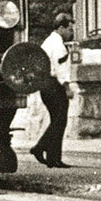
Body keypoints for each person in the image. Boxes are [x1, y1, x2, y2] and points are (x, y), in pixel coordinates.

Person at [30, 13, 73, 168]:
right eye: (69, 29)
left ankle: (53, 158)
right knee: (60, 120)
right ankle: (41, 148)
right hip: (54, 85)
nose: (71, 32)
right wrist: (67, 87)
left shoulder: (48, 42)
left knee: (57, 120)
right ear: (61, 27)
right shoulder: (58, 45)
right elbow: (61, 69)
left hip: (45, 85)